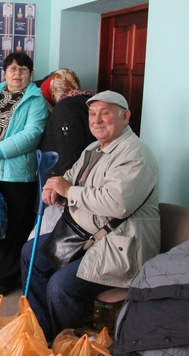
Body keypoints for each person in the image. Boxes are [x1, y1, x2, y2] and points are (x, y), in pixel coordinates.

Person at [21, 90, 160, 341]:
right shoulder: (93, 148)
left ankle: (69, 344)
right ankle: (44, 332)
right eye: (92, 114)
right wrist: (55, 188)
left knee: (61, 286)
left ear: (125, 116)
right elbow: (70, 179)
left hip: (119, 245)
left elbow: (116, 204)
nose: (96, 120)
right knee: (31, 254)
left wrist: (68, 191)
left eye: (105, 113)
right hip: (85, 236)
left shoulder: (135, 153)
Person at [0, 52, 48, 296]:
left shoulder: (36, 100)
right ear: (4, 72)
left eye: (23, 69)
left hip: (16, 175)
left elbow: (31, 135)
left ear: (30, 74)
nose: (17, 73)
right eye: (12, 68)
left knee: (13, 225)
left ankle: (6, 278)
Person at [30, 69, 96, 237]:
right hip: (87, 183)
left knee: (46, 239)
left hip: (60, 186)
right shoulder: (90, 103)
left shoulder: (65, 108)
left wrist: (64, 188)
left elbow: (68, 149)